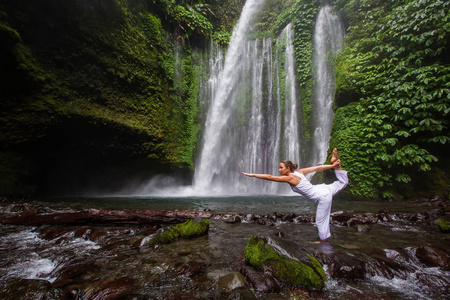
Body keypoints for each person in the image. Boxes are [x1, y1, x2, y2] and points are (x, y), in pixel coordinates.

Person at [242, 148, 348, 243]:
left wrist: (253, 175)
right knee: (343, 182)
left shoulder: (290, 178)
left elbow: (270, 177)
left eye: (281, 168)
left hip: (322, 196)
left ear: (288, 169)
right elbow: (317, 168)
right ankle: (337, 165)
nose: (279, 170)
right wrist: (332, 166)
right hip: (322, 189)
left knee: (320, 220)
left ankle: (323, 242)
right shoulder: (299, 172)